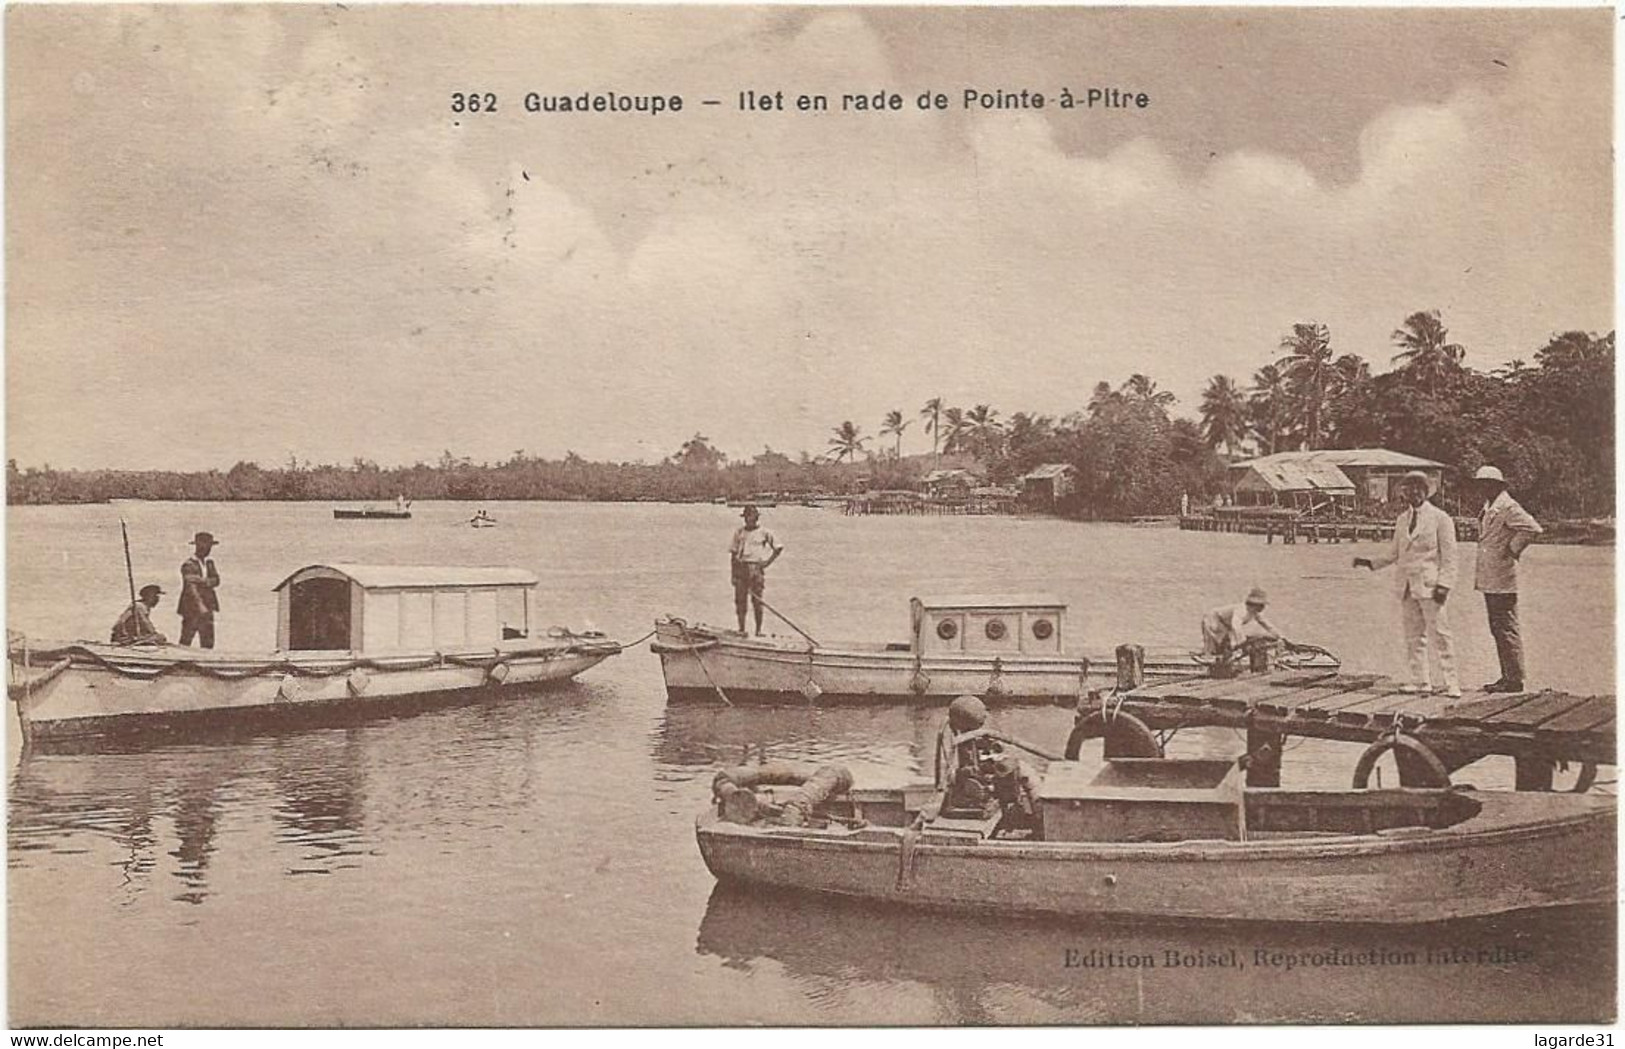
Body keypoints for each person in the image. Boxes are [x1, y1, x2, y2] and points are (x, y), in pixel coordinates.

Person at [1354, 470, 1460, 697]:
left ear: (1426, 491)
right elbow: (1394, 553)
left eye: (1418, 488)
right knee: (1413, 636)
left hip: (1431, 586)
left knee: (1441, 634)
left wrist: (1444, 585)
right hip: (1406, 586)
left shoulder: (1441, 519)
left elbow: (1450, 558)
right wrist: (1370, 562)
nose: (1413, 492)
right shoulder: (1402, 520)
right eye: (1409, 488)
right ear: (1404, 492)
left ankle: (1452, 683)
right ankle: (1421, 681)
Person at [1472, 465, 1542, 692]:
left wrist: (1513, 549)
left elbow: (1533, 528)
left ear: (1497, 485)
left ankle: (1514, 679)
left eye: (1486, 484)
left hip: (1502, 577)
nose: (1482, 488)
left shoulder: (1508, 506)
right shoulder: (1489, 506)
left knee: (1506, 627)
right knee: (1498, 627)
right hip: (1491, 577)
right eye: (1480, 484)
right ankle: (1508, 676)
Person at [729, 506, 781, 635]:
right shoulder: (739, 532)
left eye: (751, 516)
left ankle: (758, 631)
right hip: (741, 569)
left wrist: (767, 563)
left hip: (756, 569)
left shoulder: (764, 532)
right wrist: (733, 575)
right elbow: (733, 554)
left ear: (756, 518)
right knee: (740, 601)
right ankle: (742, 629)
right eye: (746, 517)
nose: (749, 520)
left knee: (757, 601)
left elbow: (778, 547)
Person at [1201, 588, 1280, 657]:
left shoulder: (1255, 613)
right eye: (1262, 605)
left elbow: (1267, 625)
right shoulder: (1242, 610)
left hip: (1225, 625)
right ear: (1255, 605)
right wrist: (1242, 641)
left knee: (1226, 646)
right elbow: (1236, 625)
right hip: (1213, 619)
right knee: (1215, 646)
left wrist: (1279, 636)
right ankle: (1210, 660)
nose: (1263, 608)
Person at [178, 531, 221, 649]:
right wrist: (200, 605)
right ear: (198, 545)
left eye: (210, 546)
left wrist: (201, 581)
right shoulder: (188, 564)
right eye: (206, 545)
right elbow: (190, 587)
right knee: (186, 639)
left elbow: (216, 580)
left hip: (209, 606)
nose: (208, 549)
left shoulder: (209, 563)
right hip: (191, 608)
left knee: (208, 640)